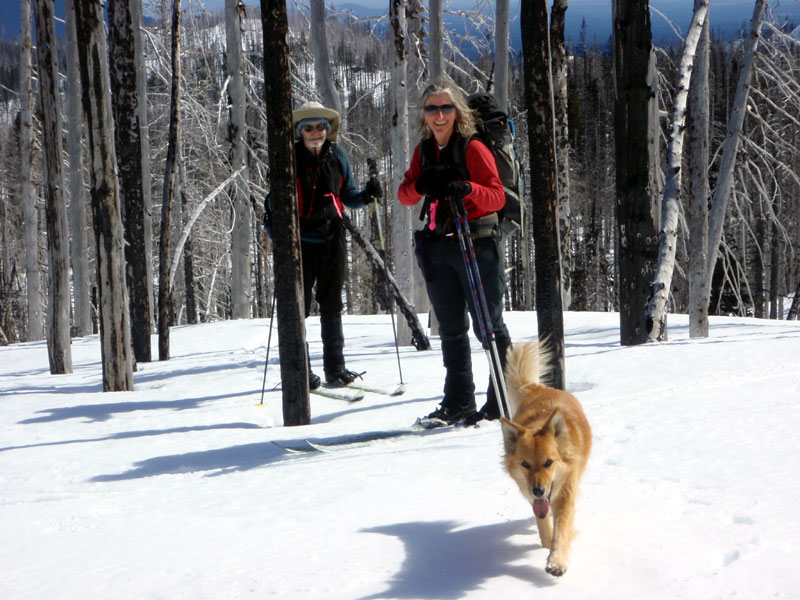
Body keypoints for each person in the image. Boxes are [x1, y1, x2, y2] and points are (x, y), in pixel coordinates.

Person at [397, 81, 513, 425]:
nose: (439, 115)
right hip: (440, 246)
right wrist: (421, 186)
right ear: (424, 115)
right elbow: (404, 195)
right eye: (432, 109)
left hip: (478, 244)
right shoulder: (424, 151)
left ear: (457, 111)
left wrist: (468, 189)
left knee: (489, 326)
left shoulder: (473, 148)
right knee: (450, 327)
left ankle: (501, 401)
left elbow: (497, 196)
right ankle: (459, 400)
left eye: (446, 108)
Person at [289, 101, 382, 389]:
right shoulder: (290, 157)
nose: (315, 132)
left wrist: (367, 195)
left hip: (333, 238)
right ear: (300, 131)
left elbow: (349, 195)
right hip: (299, 243)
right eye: (309, 127)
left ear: (327, 130)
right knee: (298, 308)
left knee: (331, 306)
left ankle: (335, 368)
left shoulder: (337, 154)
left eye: (320, 127)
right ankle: (299, 370)